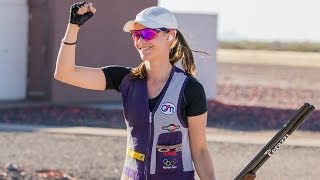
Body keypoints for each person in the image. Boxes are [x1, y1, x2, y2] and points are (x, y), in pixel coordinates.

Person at [54, 2, 216, 180]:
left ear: (171, 36)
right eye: (136, 34)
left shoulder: (190, 89)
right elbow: (65, 73)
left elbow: (200, 151)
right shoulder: (125, 79)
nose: (140, 41)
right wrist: (73, 26)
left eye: (147, 33)